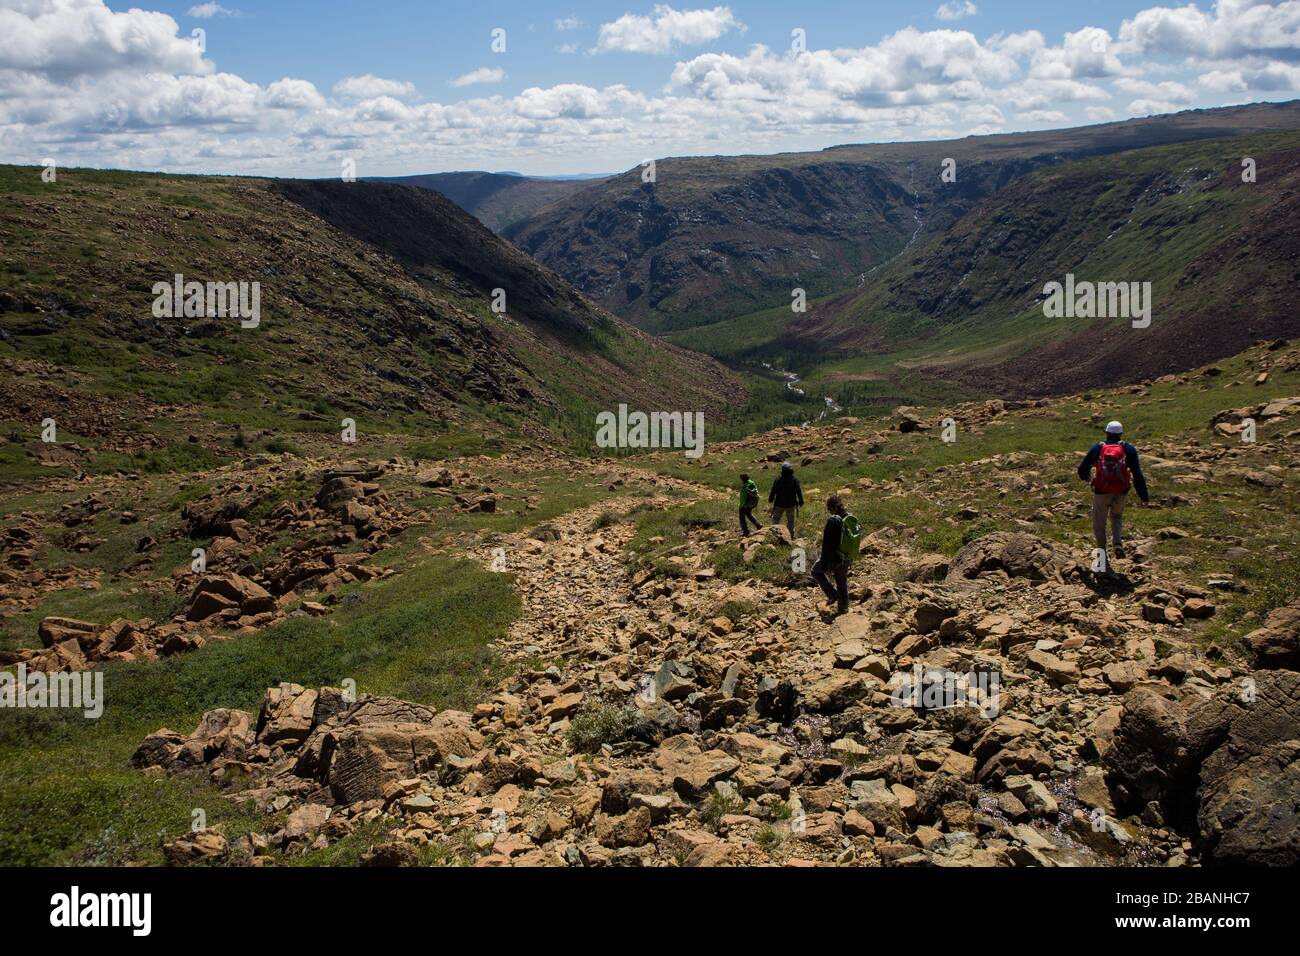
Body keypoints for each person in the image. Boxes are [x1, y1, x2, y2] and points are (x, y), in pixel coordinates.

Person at [1077, 420, 1150, 566]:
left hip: (1101, 491)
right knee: (1116, 516)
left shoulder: (1098, 448)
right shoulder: (1128, 449)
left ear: (1107, 433)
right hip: (1121, 491)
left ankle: (1102, 557)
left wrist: (1088, 479)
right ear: (1121, 433)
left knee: (1099, 524)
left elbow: (1082, 468)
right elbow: (1137, 474)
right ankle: (1117, 543)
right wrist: (1144, 496)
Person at [811, 495, 858, 616]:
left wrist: (826, 562)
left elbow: (827, 544)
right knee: (841, 581)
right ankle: (844, 609)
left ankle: (832, 594)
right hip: (847, 556)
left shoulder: (833, 520)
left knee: (815, 571)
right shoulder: (849, 516)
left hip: (834, 557)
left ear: (831, 508)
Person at [767, 462, 803, 535]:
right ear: (790, 469)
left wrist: (771, 499)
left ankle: (774, 533)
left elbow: (773, 490)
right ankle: (790, 534)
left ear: (782, 470)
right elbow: (798, 491)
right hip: (791, 503)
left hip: (779, 503)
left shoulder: (778, 479)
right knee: (790, 520)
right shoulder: (794, 479)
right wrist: (801, 501)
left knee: (776, 519)